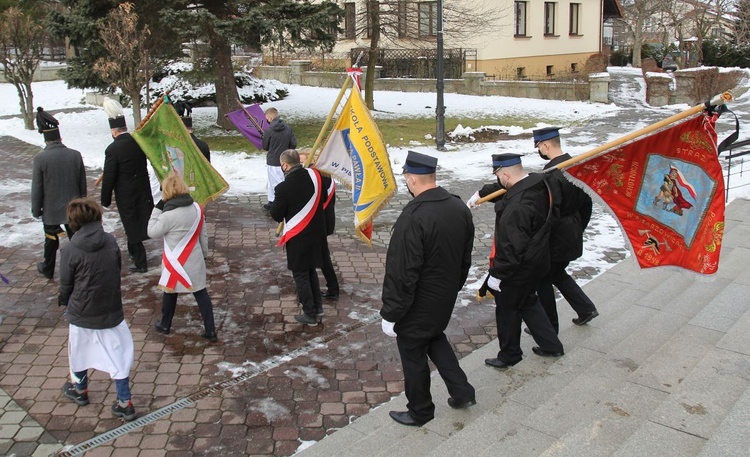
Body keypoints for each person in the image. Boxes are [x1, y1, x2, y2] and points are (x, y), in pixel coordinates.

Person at [381, 151, 476, 426]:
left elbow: (401, 272)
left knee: (413, 354)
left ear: (411, 180)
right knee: (434, 337)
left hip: (416, 303)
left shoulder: (413, 217)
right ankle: (462, 391)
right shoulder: (458, 207)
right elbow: (465, 258)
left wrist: (391, 313)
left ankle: (420, 410)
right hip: (443, 297)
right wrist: (452, 288)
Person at [476, 153, 564, 368]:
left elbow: (511, 247)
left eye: (498, 176)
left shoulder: (517, 207)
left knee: (507, 309)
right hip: (538, 260)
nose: (499, 181)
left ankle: (509, 354)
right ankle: (552, 344)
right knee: (527, 301)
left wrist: (498, 275)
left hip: (518, 268)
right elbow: (509, 192)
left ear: (506, 174)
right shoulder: (538, 184)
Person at [58, 198, 137, 421]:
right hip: (110, 307)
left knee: (78, 352)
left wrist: (65, 301)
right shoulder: (111, 241)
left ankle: (80, 389)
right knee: (118, 355)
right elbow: (116, 268)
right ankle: (124, 401)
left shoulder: (70, 249)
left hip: (82, 311)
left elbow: (66, 284)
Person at [533, 127, 599, 330]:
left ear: (545, 146)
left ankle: (548, 326)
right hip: (572, 231)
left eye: (539, 146)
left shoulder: (552, 175)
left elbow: (549, 211)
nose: (540, 150)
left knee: (543, 277)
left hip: (557, 236)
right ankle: (585, 308)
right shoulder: (575, 167)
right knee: (556, 273)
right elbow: (587, 204)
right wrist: (578, 227)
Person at [148, 172, 218, 342]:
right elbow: (203, 234)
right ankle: (210, 329)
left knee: (170, 292)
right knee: (201, 294)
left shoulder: (166, 216)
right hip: (194, 259)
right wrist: (204, 255)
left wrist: (157, 208)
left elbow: (151, 232)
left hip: (175, 263)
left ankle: (165, 324)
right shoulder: (196, 208)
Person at [270, 149, 327, 325]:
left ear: (285, 165)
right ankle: (317, 307)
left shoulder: (283, 188)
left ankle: (310, 313)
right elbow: (323, 197)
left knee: (301, 275)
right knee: (310, 270)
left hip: (298, 236)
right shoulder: (315, 178)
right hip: (316, 233)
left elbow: (277, 215)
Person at [31, 107, 87, 279]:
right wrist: (82, 204)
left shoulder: (40, 159)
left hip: (51, 211)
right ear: (60, 137)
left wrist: (36, 209)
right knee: (77, 241)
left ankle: (48, 268)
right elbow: (82, 184)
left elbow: (37, 188)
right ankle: (81, 268)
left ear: (46, 140)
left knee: (51, 241)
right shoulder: (75, 155)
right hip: (73, 209)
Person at [100, 99, 154, 273]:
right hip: (142, 189)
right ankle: (134, 253)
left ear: (114, 131)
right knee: (137, 222)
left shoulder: (112, 150)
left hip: (126, 194)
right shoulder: (137, 142)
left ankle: (140, 262)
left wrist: (105, 199)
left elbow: (109, 177)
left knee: (131, 225)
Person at [298, 148, 340, 301]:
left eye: (304, 162)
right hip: (322, 221)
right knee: (322, 255)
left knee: (322, 257)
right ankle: (331, 287)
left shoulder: (317, 177)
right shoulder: (322, 174)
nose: (302, 165)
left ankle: (333, 289)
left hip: (319, 222)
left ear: (312, 160)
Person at [262, 107, 297, 213]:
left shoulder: (269, 130)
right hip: (286, 159)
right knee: (283, 180)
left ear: (270, 117)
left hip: (273, 160)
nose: (267, 120)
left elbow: (265, 146)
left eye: (267, 118)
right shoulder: (288, 128)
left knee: (274, 183)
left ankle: (275, 202)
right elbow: (293, 143)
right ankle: (275, 201)